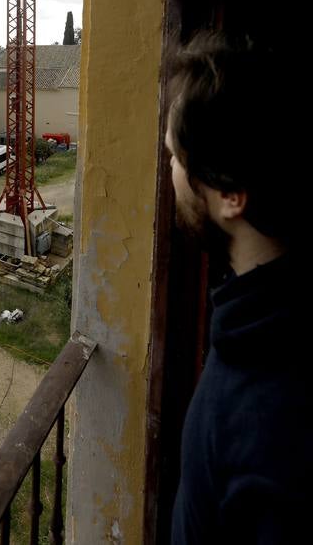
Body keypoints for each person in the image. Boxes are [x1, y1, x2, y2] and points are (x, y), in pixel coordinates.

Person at [166, 31, 311, 545]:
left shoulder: (267, 414)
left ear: (230, 193)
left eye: (177, 158)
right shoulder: (264, 324)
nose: (172, 173)